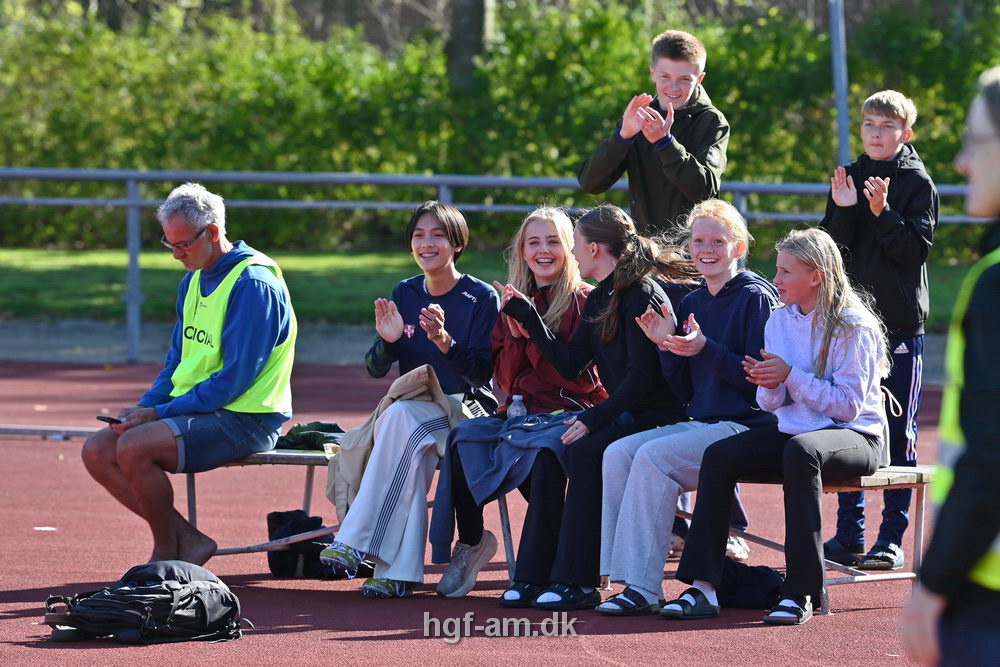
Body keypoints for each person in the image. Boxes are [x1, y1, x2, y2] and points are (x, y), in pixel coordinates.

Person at [664, 228, 889, 625]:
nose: (777, 279)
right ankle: (704, 587)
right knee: (719, 455)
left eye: (786, 271)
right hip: (795, 432)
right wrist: (768, 384)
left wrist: (789, 376)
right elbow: (772, 404)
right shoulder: (780, 320)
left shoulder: (855, 325)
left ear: (815, 276)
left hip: (857, 437)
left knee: (801, 453)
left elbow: (849, 407)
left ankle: (801, 591)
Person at [81, 183, 297, 565]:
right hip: (201, 409)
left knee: (134, 447)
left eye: (182, 245)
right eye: (170, 245)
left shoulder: (254, 284)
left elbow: (235, 380)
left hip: (247, 418)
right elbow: (177, 361)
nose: (177, 255)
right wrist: (144, 408)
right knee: (98, 449)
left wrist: (159, 415)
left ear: (213, 231)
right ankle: (187, 539)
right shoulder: (192, 280)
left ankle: (166, 553)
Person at [495, 203, 695, 609]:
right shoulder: (602, 296)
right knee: (554, 451)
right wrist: (531, 319)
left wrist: (594, 417)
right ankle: (533, 574)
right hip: (628, 413)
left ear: (594, 249)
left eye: (575, 244)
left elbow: (644, 379)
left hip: (659, 416)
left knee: (585, 450)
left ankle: (579, 581)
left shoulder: (640, 294)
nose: (572, 252)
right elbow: (571, 364)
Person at [595, 199, 778, 615]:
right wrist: (667, 346)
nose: (706, 248)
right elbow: (683, 389)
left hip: (747, 427)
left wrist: (704, 348)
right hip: (703, 423)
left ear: (739, 246)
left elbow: (759, 385)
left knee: (651, 457)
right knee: (618, 453)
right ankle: (620, 577)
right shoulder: (694, 300)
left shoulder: (756, 298)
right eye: (699, 240)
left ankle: (643, 586)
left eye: (717, 240)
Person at [319, 201, 499, 599]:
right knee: (403, 428)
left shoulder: (480, 297)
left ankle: (355, 540)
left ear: (456, 243)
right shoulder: (404, 291)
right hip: (414, 410)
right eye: (419, 235)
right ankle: (397, 572)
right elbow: (374, 369)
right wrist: (389, 342)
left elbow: (483, 376)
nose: (426, 243)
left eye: (437, 234)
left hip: (462, 411)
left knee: (399, 421)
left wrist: (445, 343)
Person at [429, 207, 607, 598]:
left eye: (553, 242)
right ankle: (472, 542)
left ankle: (535, 571)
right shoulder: (512, 303)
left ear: (570, 249)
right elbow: (502, 381)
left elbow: (573, 377)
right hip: (520, 416)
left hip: (573, 412)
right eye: (533, 243)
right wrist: (451, 342)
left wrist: (533, 332)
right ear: (522, 252)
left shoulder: (585, 301)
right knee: (464, 438)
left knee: (543, 453)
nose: (543, 251)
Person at [901, 65, 1000, 666]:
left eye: (977, 140)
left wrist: (932, 585)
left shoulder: (995, 282)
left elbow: (993, 456)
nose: (963, 161)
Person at [820, 89, 939, 572]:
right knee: (850, 426)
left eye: (886, 127)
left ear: (904, 134)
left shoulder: (916, 182)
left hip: (899, 327)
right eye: (869, 124)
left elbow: (914, 252)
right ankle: (850, 533)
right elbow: (830, 250)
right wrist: (846, 208)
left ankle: (891, 539)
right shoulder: (849, 175)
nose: (876, 133)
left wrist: (882, 213)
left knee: (896, 430)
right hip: (852, 326)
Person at [577, 29, 729, 235]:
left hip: (693, 252)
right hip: (644, 249)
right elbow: (590, 183)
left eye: (685, 79)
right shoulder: (637, 117)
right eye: (665, 76)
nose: (673, 87)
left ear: (699, 78)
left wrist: (665, 143)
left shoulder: (712, 121)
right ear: (652, 72)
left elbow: (705, 193)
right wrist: (622, 137)